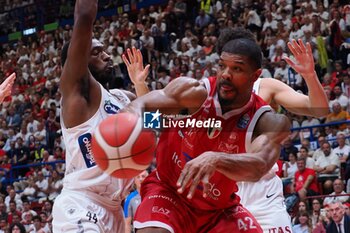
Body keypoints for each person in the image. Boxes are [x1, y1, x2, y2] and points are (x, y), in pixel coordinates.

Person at [123, 29, 290, 232]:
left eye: (236, 69)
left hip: (218, 209)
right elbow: (144, 107)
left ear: (255, 76)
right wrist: (127, 123)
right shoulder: (193, 93)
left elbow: (259, 167)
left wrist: (215, 158)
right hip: (169, 193)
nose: (226, 74)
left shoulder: (266, 121)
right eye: (222, 66)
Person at [215, 28, 328, 232]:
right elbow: (160, 121)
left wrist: (310, 76)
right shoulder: (207, 93)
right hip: (224, 192)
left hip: (263, 190)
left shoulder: (265, 86)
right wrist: (141, 86)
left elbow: (319, 110)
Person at [51, 0, 149, 232]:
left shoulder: (122, 97)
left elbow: (157, 123)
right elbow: (84, 14)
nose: (106, 56)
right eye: (96, 52)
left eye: (105, 50)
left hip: (114, 208)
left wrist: (141, 85)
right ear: (77, 62)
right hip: (81, 202)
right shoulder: (76, 95)